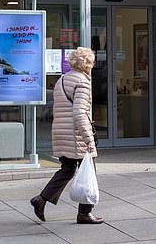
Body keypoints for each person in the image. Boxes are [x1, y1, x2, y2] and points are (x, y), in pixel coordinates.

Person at [30, 47, 104, 225]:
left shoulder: (62, 80)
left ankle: (41, 199)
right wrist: (88, 139)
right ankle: (85, 213)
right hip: (75, 134)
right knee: (89, 169)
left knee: (68, 169)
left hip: (60, 131)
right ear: (87, 64)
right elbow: (79, 113)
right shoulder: (83, 82)